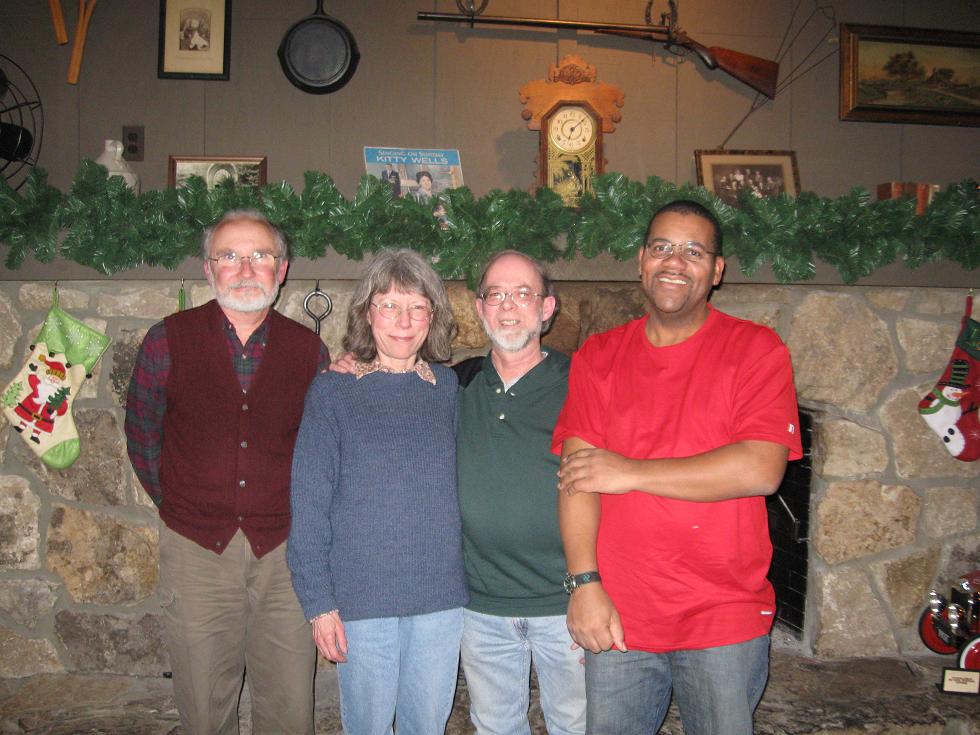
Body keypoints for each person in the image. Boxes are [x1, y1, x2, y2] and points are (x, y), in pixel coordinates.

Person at [553, 200, 802, 735]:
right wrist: (583, 584)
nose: (674, 262)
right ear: (641, 260)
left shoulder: (756, 350)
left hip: (723, 618)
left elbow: (762, 469)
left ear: (717, 271)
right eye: (662, 247)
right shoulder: (598, 356)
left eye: (694, 251)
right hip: (620, 614)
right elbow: (577, 481)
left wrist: (631, 471)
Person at [125, 209, 328, 734]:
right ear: (208, 270)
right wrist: (180, 502)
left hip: (285, 553)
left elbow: (321, 450)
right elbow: (143, 432)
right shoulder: (166, 340)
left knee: (288, 702)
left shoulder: (309, 352)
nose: (245, 268)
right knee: (202, 700)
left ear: (281, 270)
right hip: (195, 551)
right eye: (229, 256)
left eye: (260, 256)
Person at [288, 249, 468, 734]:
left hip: (440, 599)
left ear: (434, 316)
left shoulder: (447, 388)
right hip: (361, 600)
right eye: (388, 305)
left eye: (417, 307)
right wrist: (318, 603)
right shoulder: (332, 393)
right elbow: (308, 506)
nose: (403, 321)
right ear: (367, 313)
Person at [455, 251, 586, 734]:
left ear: (547, 308)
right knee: (495, 726)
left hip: (567, 603)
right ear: (480, 307)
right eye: (496, 294)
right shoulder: (455, 384)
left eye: (523, 294)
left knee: (577, 725)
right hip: (481, 606)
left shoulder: (583, 381)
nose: (508, 306)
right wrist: (352, 364)